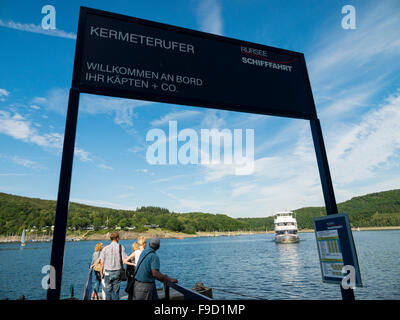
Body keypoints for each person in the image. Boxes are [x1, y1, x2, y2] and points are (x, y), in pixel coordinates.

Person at [99, 232, 128, 300]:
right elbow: (124, 260)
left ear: (110, 239)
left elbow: (101, 263)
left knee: (108, 291)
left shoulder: (105, 248)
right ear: (117, 238)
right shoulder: (121, 247)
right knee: (116, 292)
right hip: (117, 271)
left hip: (107, 272)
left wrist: (101, 274)